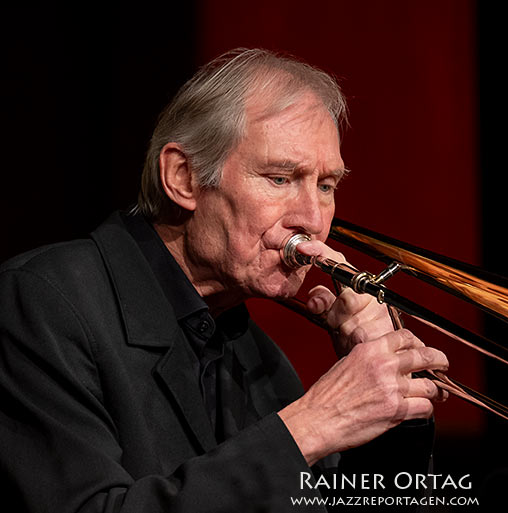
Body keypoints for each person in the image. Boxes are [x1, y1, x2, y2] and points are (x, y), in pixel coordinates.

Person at [0, 48, 449, 512]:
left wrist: (395, 408)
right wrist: (311, 426)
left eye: (326, 185)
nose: (314, 219)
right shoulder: (42, 301)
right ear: (184, 178)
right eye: (279, 178)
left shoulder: (259, 359)